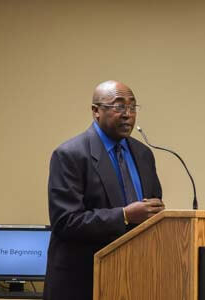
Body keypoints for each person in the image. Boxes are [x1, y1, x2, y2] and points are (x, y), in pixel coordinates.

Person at [43, 80, 165, 300]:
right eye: (118, 106)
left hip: (135, 280)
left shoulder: (144, 154)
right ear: (96, 111)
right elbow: (65, 221)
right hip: (82, 284)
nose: (128, 114)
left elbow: (150, 209)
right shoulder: (70, 155)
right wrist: (125, 215)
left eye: (132, 106)